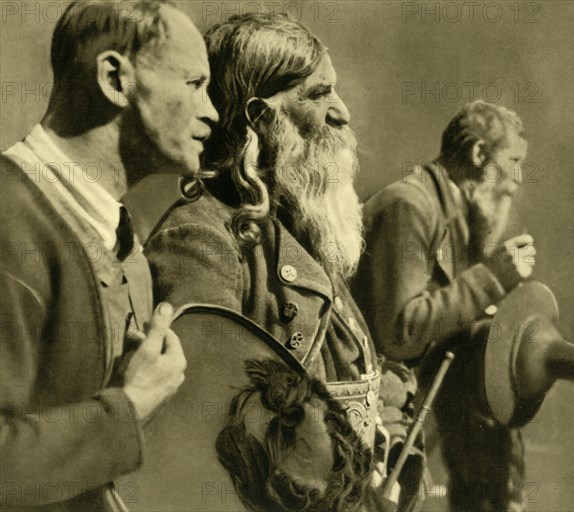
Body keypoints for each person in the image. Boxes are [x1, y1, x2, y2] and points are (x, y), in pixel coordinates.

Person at [144, 13, 422, 511]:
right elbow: (207, 443)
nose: (343, 112)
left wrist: (382, 395)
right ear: (258, 115)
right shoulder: (201, 238)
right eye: (318, 95)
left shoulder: (301, 224)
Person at [0, 1, 218, 510]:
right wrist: (131, 404)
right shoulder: (8, 221)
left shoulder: (119, 239)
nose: (212, 113)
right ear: (116, 79)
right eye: (194, 85)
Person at [352, 100, 535, 512]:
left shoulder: (451, 217)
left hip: (400, 406)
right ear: (478, 156)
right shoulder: (410, 206)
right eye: (514, 161)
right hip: (365, 410)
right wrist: (491, 279)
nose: (518, 179)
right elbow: (399, 335)